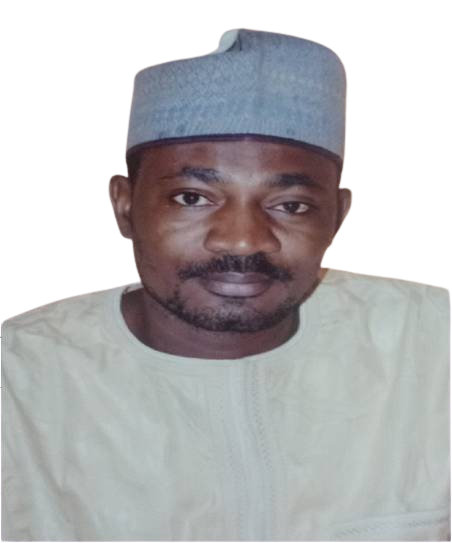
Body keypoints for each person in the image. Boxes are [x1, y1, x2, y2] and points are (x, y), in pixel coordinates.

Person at [1, 28, 450, 541]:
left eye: (291, 206)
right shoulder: (18, 379)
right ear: (124, 205)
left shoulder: (430, 344)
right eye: (192, 198)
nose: (242, 240)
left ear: (337, 217)